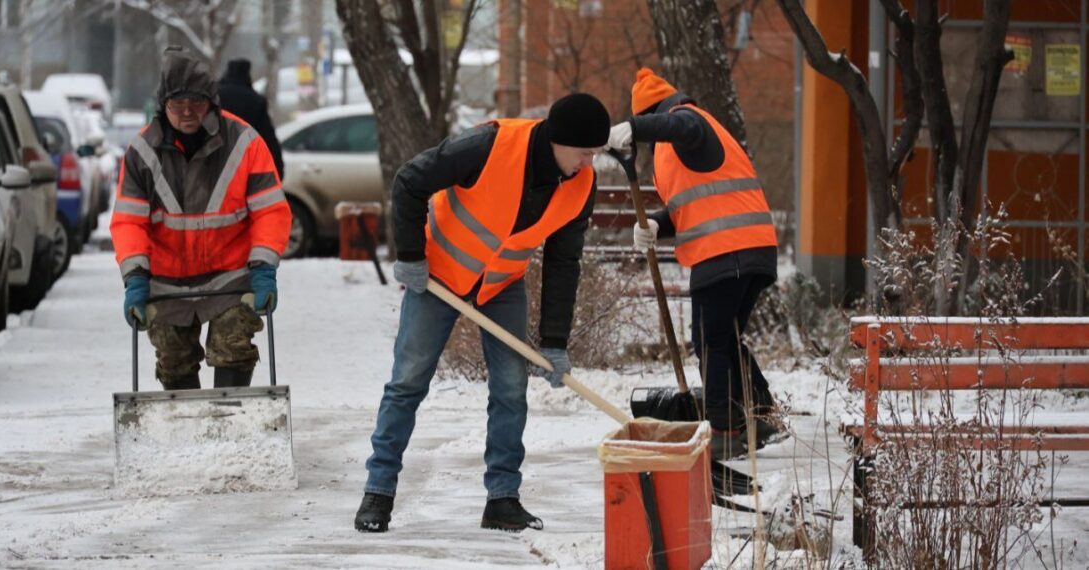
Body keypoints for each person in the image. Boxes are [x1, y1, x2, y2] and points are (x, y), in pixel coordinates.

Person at [354, 93, 611, 533]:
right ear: (558, 140)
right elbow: (410, 179)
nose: (588, 162)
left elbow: (563, 263)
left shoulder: (580, 185)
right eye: (584, 151)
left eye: (595, 154)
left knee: (511, 389)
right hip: (437, 277)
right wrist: (412, 255)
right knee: (408, 382)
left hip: (501, 285)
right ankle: (378, 492)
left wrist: (553, 343)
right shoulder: (490, 145)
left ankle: (502, 499)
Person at [607, 68, 783, 456]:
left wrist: (635, 127)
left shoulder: (689, 121)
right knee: (724, 337)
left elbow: (681, 125)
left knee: (710, 340)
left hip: (727, 248)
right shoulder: (675, 150)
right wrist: (656, 223)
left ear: (655, 114)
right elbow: (691, 203)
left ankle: (722, 433)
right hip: (747, 247)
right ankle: (763, 415)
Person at [110, 46, 292, 390]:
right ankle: (187, 431)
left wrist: (264, 268)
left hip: (230, 277)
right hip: (167, 281)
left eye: (197, 103)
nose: (188, 112)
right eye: (178, 105)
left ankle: (228, 422)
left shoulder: (244, 143)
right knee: (173, 358)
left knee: (233, 348)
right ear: (163, 106)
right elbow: (130, 222)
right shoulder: (141, 153)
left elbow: (270, 211)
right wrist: (135, 278)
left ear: (212, 102)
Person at [217, 58, 285, 181]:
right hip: (246, 165)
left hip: (216, 162)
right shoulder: (256, 101)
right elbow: (268, 138)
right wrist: (277, 171)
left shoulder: (215, 96)